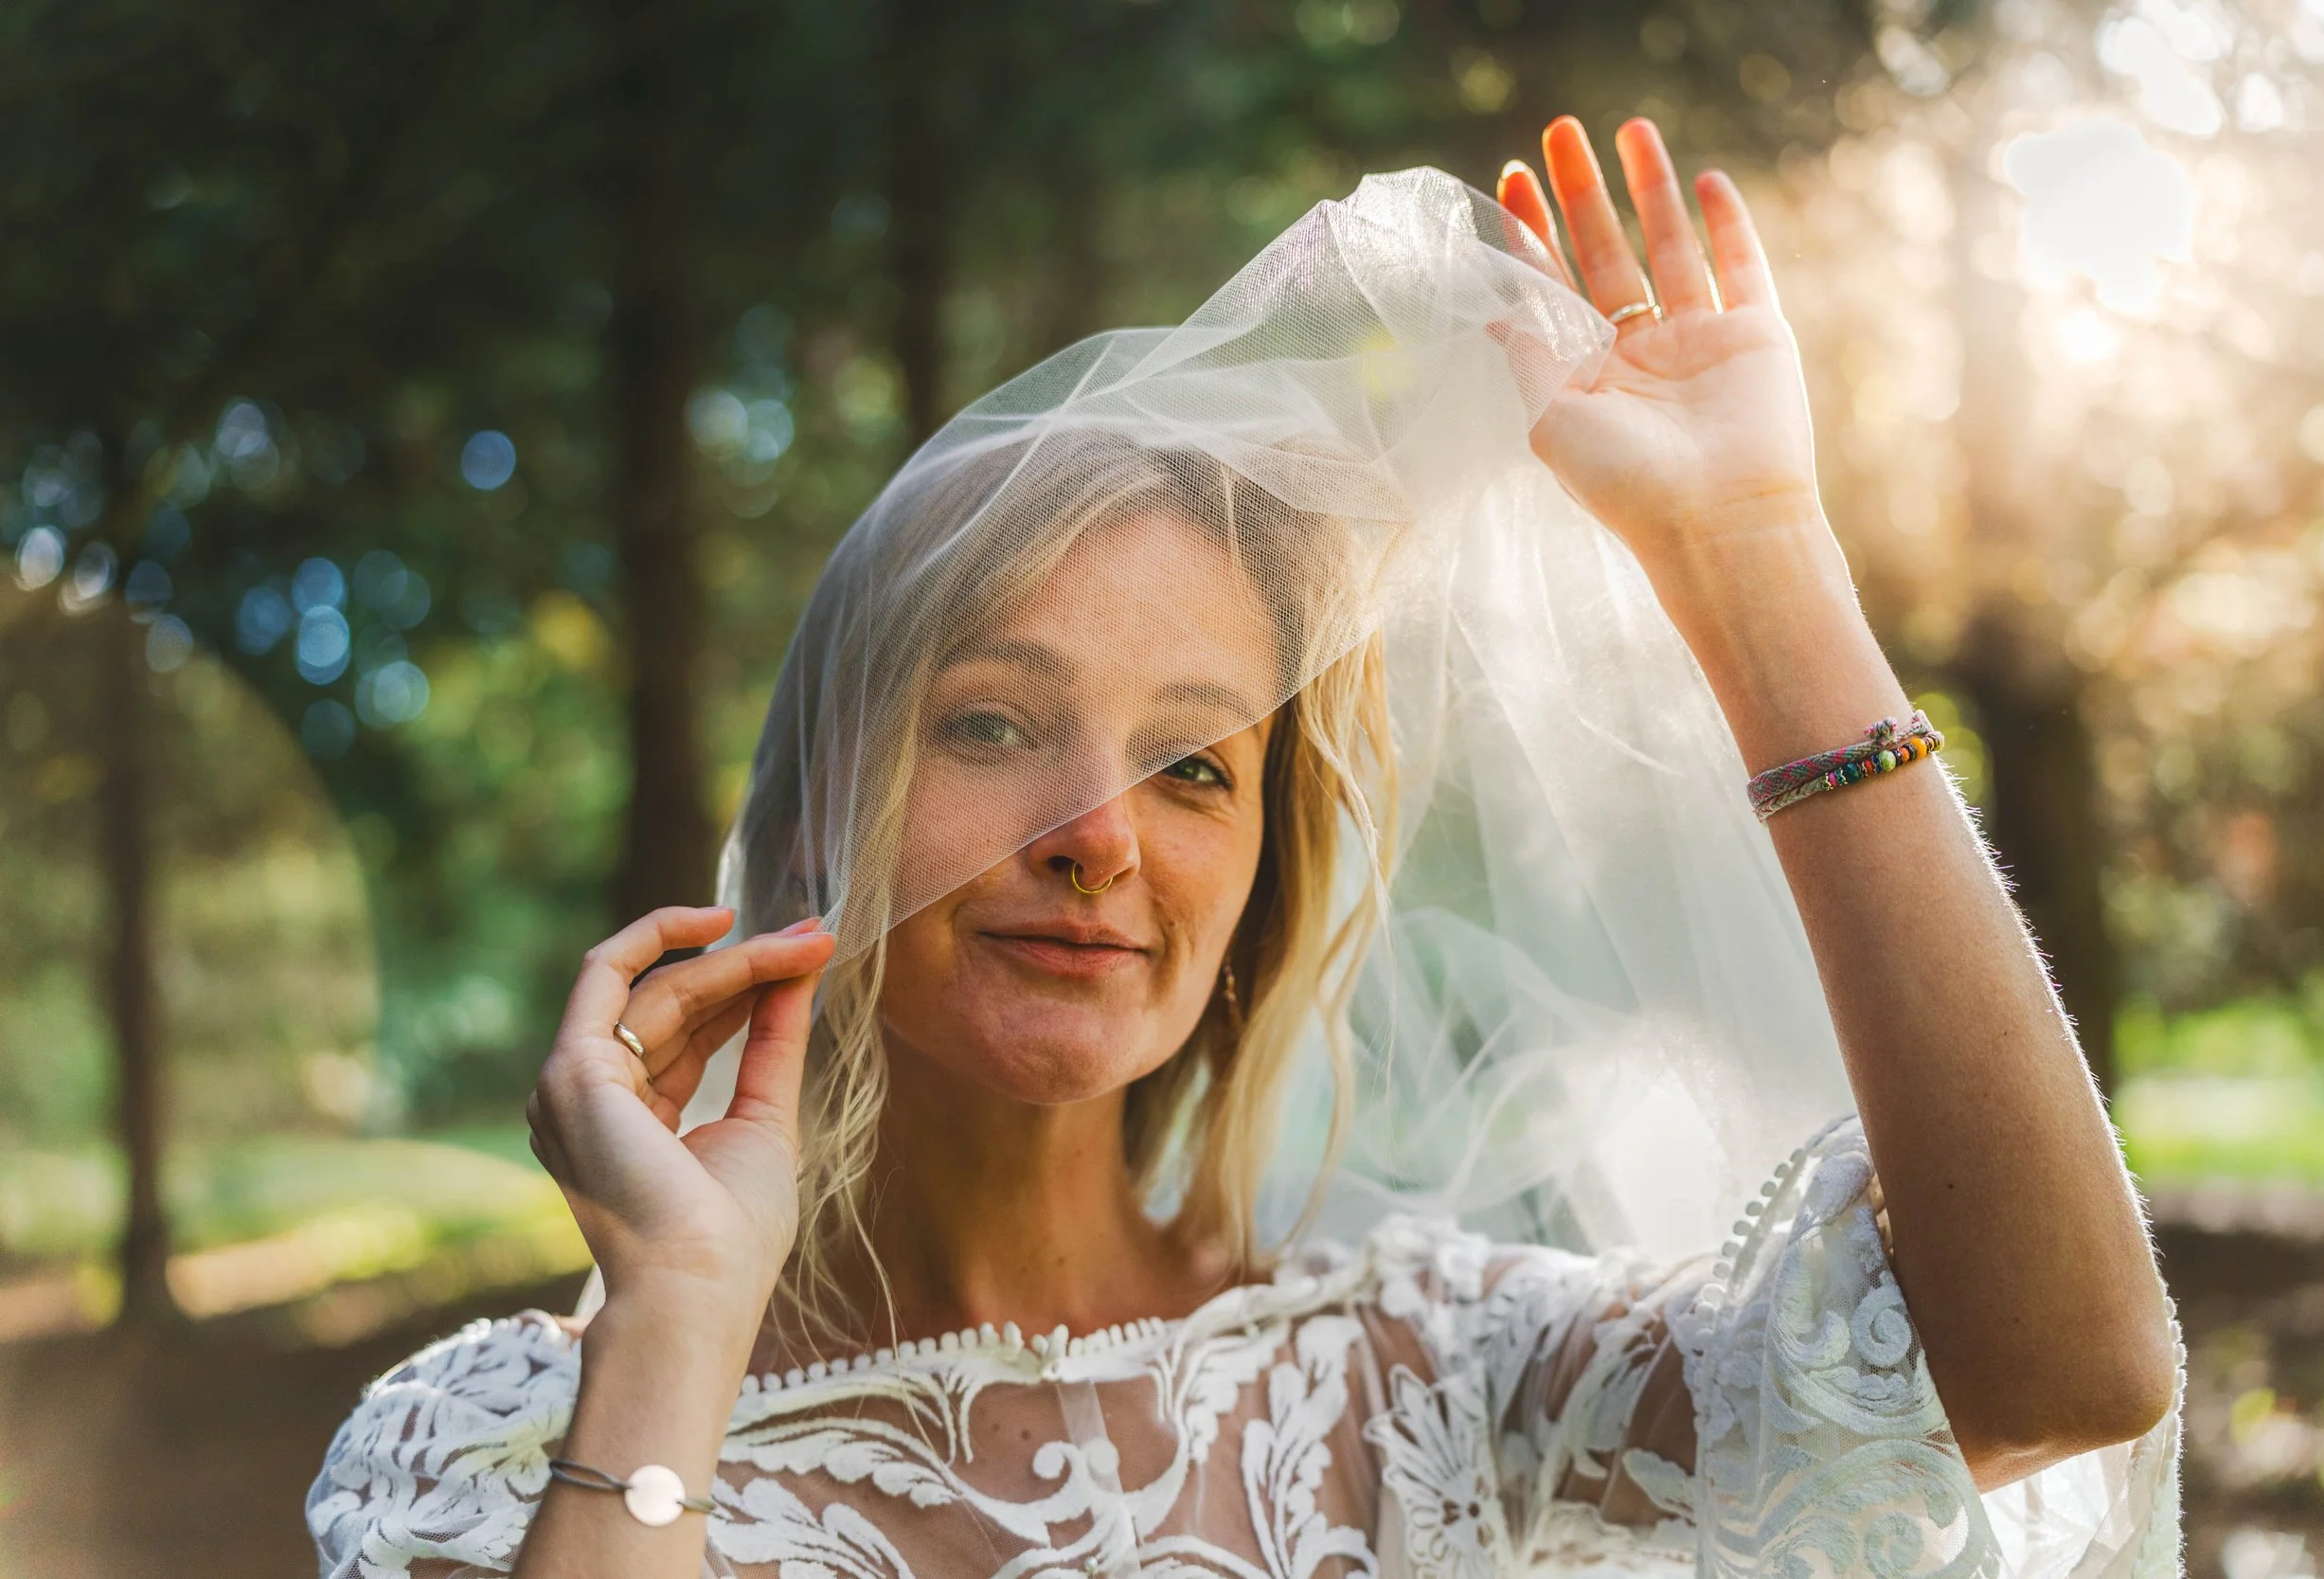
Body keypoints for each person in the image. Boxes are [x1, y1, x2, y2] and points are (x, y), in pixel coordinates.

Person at [308, 116, 2182, 1579]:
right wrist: (681, 1315)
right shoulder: (500, 1444)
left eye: (1194, 764)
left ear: (1259, 871)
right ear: (813, 807)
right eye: (988, 723)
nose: (1096, 835)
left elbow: (2060, 1375)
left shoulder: (1430, 1371)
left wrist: (1754, 549)